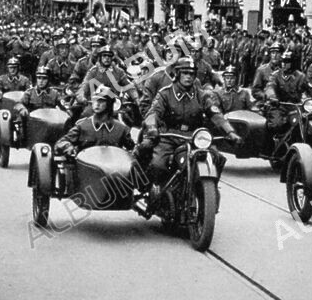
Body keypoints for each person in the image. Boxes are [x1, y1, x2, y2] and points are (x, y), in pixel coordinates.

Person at [144, 58, 240, 204]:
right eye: (185, 73)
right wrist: (152, 128)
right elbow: (153, 113)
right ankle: (158, 191)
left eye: (192, 73)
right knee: (158, 164)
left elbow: (215, 113)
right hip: (168, 136)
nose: (189, 76)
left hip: (194, 137)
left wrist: (230, 132)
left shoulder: (201, 95)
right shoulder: (165, 94)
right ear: (177, 74)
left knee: (217, 158)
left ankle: (209, 190)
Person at [55, 85, 135, 156]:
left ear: (109, 103)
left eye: (101, 101)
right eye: (95, 100)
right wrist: (69, 148)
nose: (97, 104)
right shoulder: (82, 126)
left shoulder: (121, 129)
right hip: (87, 170)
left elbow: (132, 150)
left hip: (112, 170)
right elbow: (61, 143)